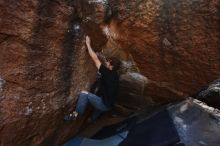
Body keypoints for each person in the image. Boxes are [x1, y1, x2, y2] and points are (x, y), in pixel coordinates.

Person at [64, 36, 121, 121]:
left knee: (84, 94)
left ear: (111, 66)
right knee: (101, 103)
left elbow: (95, 59)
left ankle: (75, 115)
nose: (107, 62)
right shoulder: (116, 75)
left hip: (104, 104)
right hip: (110, 104)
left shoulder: (107, 73)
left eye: (108, 62)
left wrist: (88, 44)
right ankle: (92, 119)